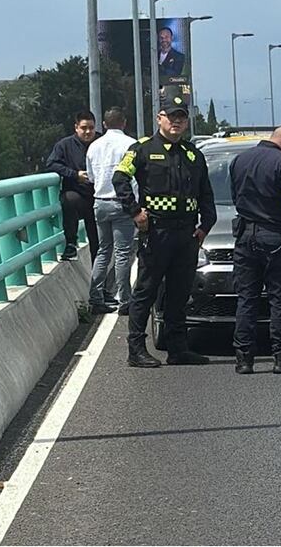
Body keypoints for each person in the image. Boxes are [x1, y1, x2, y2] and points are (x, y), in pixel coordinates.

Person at [112, 95, 216, 367]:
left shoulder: (193, 153)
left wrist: (205, 226)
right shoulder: (142, 149)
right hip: (156, 232)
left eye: (181, 117)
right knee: (146, 292)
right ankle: (136, 349)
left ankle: (177, 348)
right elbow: (120, 178)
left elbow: (205, 193)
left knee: (179, 293)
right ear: (160, 118)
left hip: (186, 235)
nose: (176, 122)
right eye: (171, 117)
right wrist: (135, 212)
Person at [228, 123, 281, 374]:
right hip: (276, 238)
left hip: (244, 235)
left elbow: (235, 196)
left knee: (247, 298)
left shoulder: (239, 160)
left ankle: (243, 360)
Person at [86, 107, 137, 315]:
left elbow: (90, 177)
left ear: (104, 125)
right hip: (121, 202)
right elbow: (135, 178)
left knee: (103, 250)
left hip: (100, 202)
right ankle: (125, 300)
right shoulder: (130, 144)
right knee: (123, 253)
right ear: (124, 123)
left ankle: (95, 297)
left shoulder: (93, 146)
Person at [47, 111, 99, 263]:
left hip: (99, 196)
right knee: (68, 199)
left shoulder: (101, 142)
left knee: (97, 242)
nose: (88, 132)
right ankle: (70, 243)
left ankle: (99, 279)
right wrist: (74, 174)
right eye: (84, 128)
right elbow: (51, 163)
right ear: (76, 127)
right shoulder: (65, 145)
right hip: (77, 193)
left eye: (91, 127)